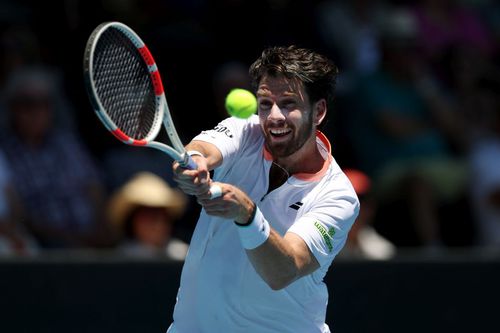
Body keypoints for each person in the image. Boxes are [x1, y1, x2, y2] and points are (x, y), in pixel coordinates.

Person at [168, 46, 359, 333]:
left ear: (318, 111)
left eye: (288, 103)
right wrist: (194, 164)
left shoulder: (338, 196)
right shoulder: (246, 130)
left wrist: (247, 214)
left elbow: (284, 270)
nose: (274, 116)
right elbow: (204, 149)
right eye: (266, 103)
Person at [107, 171, 189, 260]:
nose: (158, 223)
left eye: (162, 216)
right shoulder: (120, 258)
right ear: (133, 221)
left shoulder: (183, 255)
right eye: (149, 216)